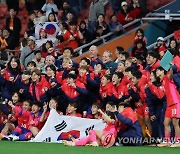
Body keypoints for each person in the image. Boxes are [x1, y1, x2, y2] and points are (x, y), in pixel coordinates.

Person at [156, 67, 180, 147]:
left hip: (175, 102)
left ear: (163, 71)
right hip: (169, 105)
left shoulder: (167, 77)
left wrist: (171, 67)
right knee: (165, 123)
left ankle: (178, 141)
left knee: (175, 123)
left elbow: (171, 74)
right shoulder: (161, 82)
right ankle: (167, 141)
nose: (156, 72)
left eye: (158, 71)